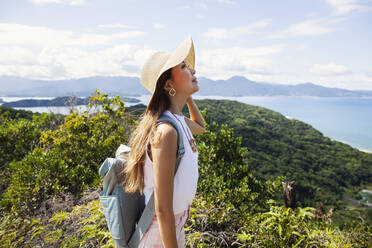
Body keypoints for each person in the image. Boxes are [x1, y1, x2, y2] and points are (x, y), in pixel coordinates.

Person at [123, 36, 206, 247]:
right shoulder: (166, 131)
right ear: (169, 83)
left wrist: (186, 95)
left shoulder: (177, 120)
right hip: (160, 232)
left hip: (175, 225)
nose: (193, 71)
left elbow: (202, 127)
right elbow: (162, 208)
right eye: (185, 67)